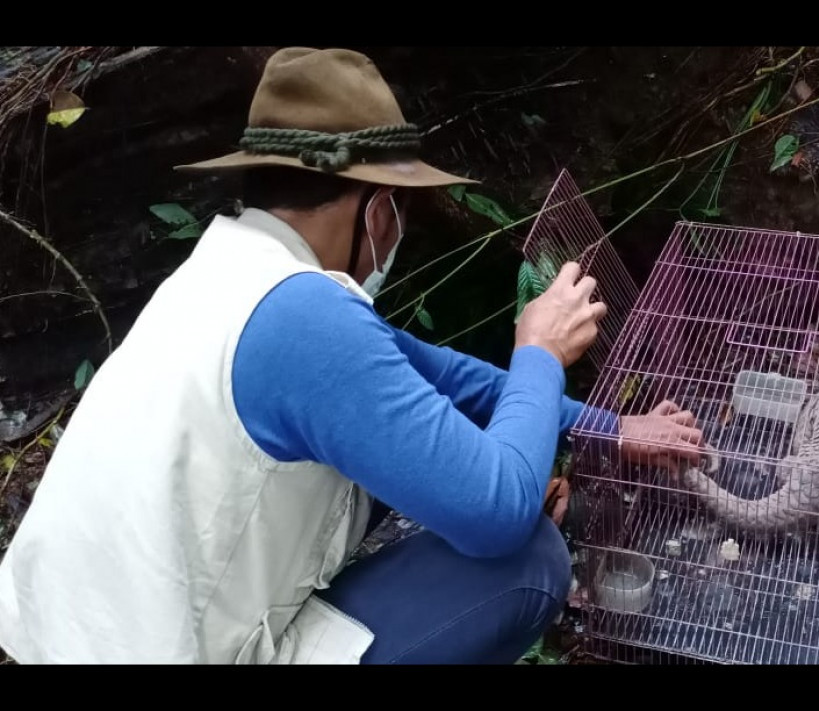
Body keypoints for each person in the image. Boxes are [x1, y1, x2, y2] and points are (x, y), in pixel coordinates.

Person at [0, 47, 703, 665]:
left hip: (71, 636)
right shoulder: (305, 320)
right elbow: (498, 514)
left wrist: (612, 428)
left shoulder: (230, 275)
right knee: (528, 559)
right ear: (376, 209)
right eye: (400, 209)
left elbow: (446, 377)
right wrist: (540, 351)